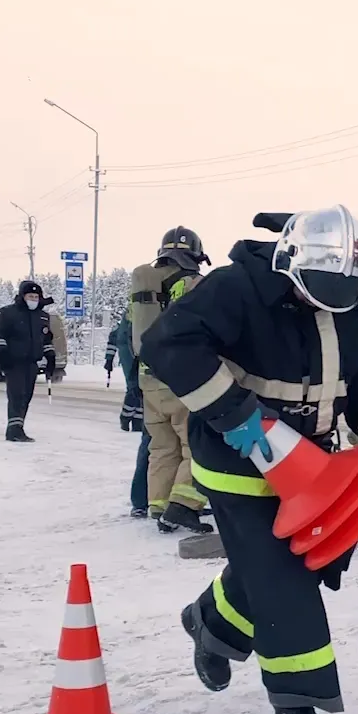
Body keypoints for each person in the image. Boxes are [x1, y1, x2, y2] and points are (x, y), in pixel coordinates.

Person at [140, 205, 358, 714]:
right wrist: (231, 412)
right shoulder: (236, 289)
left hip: (312, 468)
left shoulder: (352, 306)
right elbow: (167, 345)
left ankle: (211, 625)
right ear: (289, 263)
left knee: (303, 561)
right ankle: (298, 701)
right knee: (283, 580)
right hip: (234, 460)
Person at [130, 227, 212, 534]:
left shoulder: (144, 290)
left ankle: (158, 504)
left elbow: (132, 337)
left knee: (163, 446)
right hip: (180, 378)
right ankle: (184, 507)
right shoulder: (193, 284)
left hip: (148, 379)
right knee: (197, 444)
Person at [0, 280, 57, 442]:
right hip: (14, 361)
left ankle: (18, 427)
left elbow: (46, 339)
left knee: (26, 395)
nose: (33, 299)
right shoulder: (8, 313)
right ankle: (13, 430)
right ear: (22, 296)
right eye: (30, 296)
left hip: (32, 362)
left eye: (36, 296)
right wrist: (3, 355)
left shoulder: (42, 316)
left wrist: (50, 357)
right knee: (16, 395)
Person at [105, 312, 143, 432]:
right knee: (134, 387)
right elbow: (114, 337)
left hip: (138, 353)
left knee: (141, 388)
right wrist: (109, 359)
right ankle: (126, 417)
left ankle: (137, 419)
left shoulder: (139, 313)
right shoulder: (130, 316)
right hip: (129, 354)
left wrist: (109, 358)